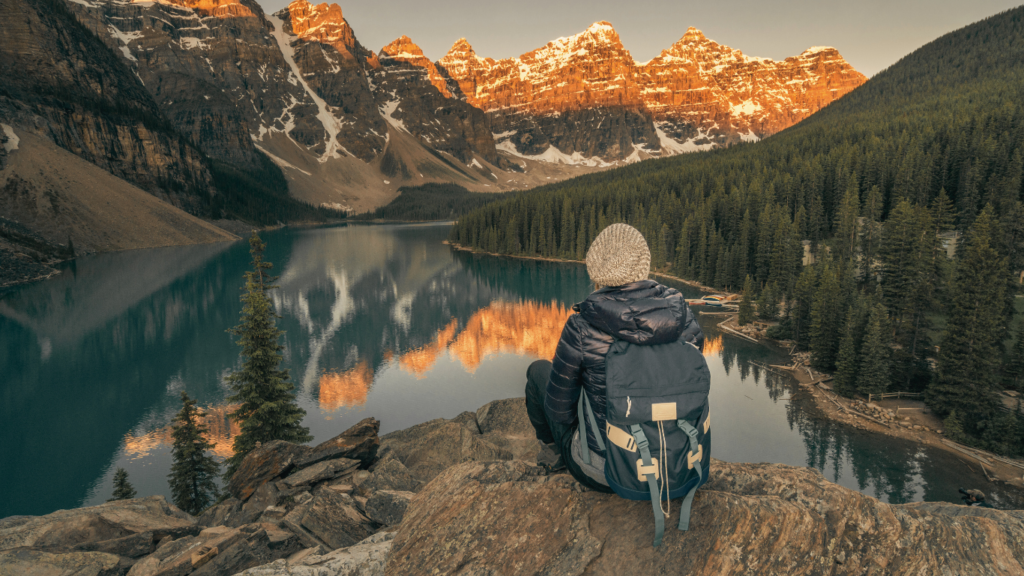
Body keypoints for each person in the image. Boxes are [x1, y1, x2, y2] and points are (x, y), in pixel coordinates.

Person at [525, 223, 705, 491]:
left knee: (538, 371)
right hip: (677, 464)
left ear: (598, 272)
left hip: (605, 471)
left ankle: (553, 453)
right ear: (644, 264)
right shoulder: (683, 317)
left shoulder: (582, 327)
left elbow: (559, 410)